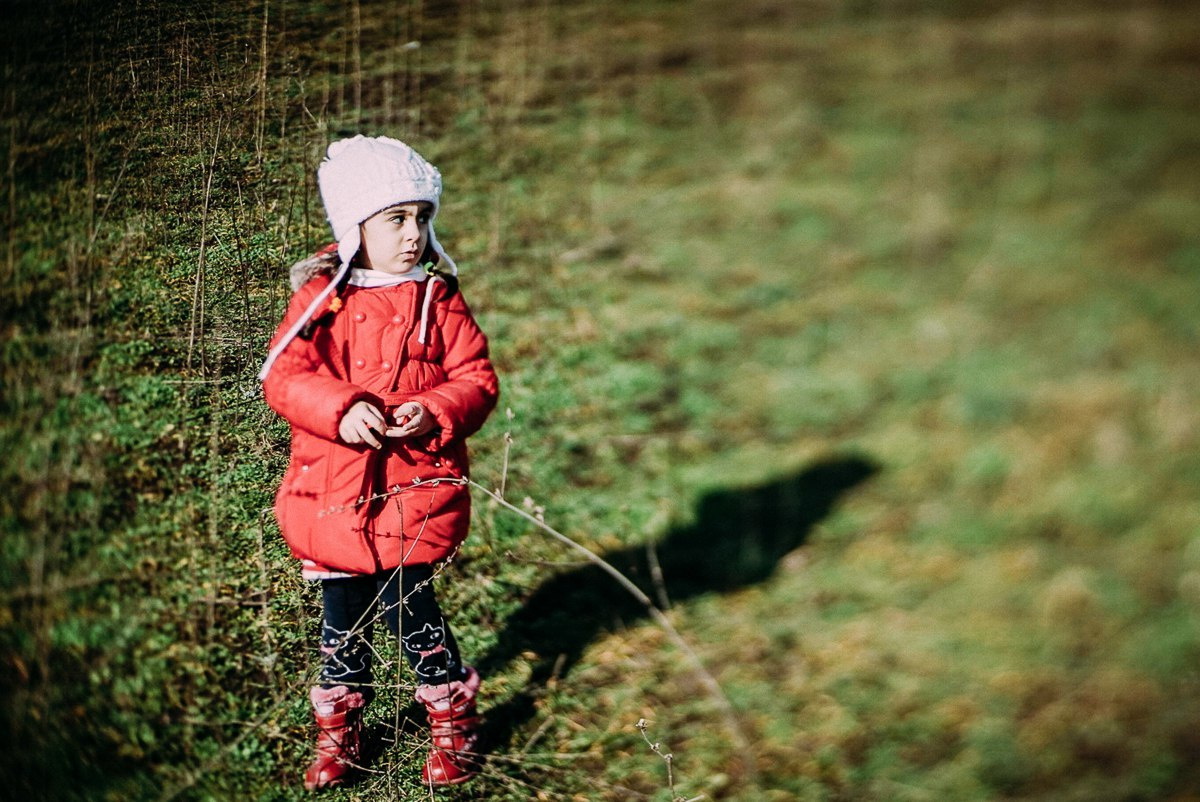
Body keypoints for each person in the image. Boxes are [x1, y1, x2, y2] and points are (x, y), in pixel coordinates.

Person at [258, 135, 499, 790]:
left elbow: (477, 379)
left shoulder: (436, 299)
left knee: (411, 612)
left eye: (422, 217)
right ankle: (342, 729)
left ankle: (454, 720)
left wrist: (436, 408)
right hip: (331, 495)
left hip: (409, 493)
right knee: (342, 624)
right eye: (395, 218)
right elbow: (283, 377)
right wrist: (338, 409)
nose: (413, 233)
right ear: (352, 225)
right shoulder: (320, 301)